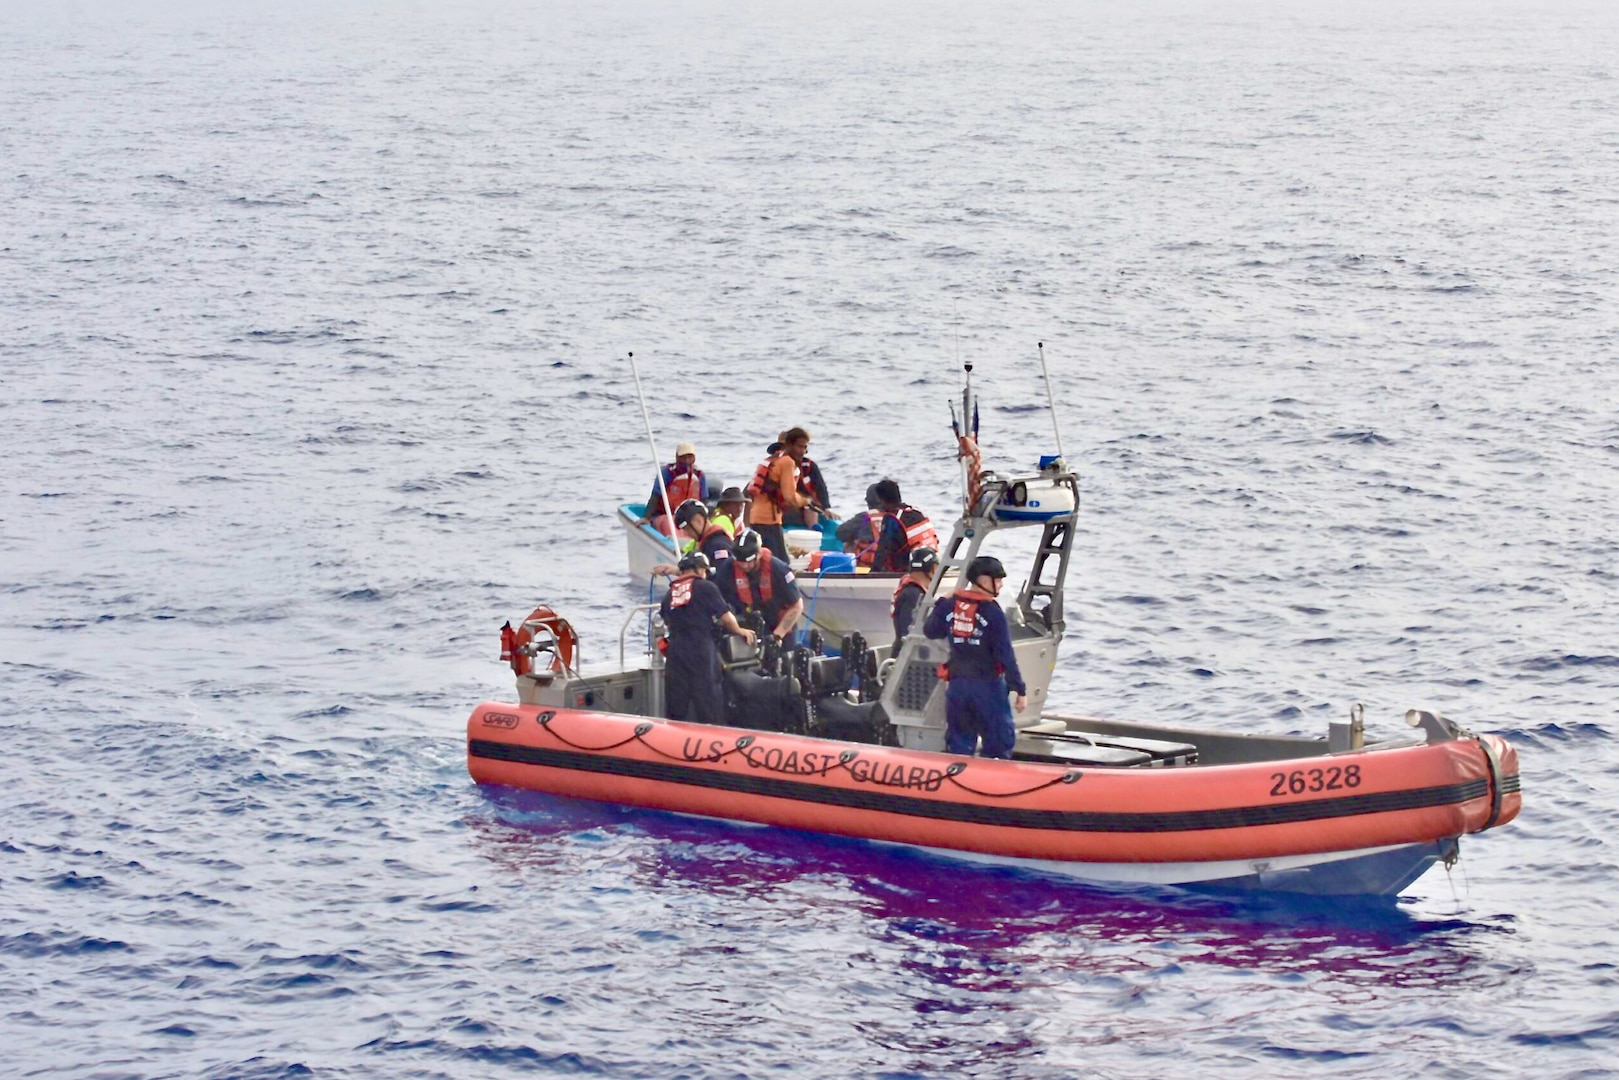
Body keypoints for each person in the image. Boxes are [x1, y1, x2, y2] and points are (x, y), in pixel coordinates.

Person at [922, 555, 1027, 759]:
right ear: (985, 581)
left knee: (959, 742)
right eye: (998, 580)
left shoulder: (950, 605)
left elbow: (931, 631)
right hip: (987, 686)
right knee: (999, 742)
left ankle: (958, 778)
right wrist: (1019, 689)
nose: (1001, 584)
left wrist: (942, 601)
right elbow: (1005, 655)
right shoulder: (993, 613)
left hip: (958, 686)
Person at [658, 551, 755, 725]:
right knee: (708, 700)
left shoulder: (670, 593)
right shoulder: (706, 587)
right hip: (700, 647)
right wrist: (740, 630)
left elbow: (666, 619)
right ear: (699, 569)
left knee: (677, 703)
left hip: (676, 650)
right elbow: (726, 617)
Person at [722, 529, 805, 645]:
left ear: (759, 554)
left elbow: (797, 606)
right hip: (749, 627)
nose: (745, 566)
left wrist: (777, 636)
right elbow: (718, 600)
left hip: (780, 627)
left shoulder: (779, 570)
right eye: (740, 562)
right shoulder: (728, 568)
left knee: (787, 656)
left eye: (749, 561)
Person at [745, 428, 814, 563]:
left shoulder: (773, 460)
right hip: (768, 521)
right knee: (780, 564)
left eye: (805, 447)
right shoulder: (787, 462)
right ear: (789, 445)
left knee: (766, 561)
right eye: (800, 446)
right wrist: (805, 501)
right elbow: (790, 497)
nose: (803, 451)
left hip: (757, 519)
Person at [635, 442, 708, 535]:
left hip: (688, 518)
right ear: (677, 457)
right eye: (683, 457)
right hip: (664, 515)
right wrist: (646, 518)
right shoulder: (667, 473)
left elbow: (703, 501)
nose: (687, 460)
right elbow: (655, 496)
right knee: (668, 525)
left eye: (690, 457)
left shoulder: (699, 476)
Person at [650, 499, 735, 577]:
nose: (687, 534)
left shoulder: (718, 545)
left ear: (699, 520)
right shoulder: (707, 542)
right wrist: (675, 571)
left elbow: (720, 576)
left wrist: (680, 571)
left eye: (687, 529)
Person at [871, 478, 938, 571]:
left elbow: (882, 550)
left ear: (882, 500)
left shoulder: (891, 519)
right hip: (933, 563)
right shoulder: (917, 512)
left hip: (910, 570)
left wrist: (873, 573)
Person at [837, 483, 905, 570]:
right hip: (893, 567)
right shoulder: (900, 517)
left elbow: (840, 533)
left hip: (867, 567)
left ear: (869, 501)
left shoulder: (864, 518)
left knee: (849, 542)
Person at [890, 547, 938, 651]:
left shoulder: (908, 591)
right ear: (933, 569)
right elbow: (907, 633)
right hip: (907, 658)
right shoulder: (913, 595)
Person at [783, 452, 831, 530]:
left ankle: (813, 530)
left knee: (810, 507)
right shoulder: (774, 466)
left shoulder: (809, 466)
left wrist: (826, 507)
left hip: (805, 509)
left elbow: (821, 488)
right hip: (781, 510)